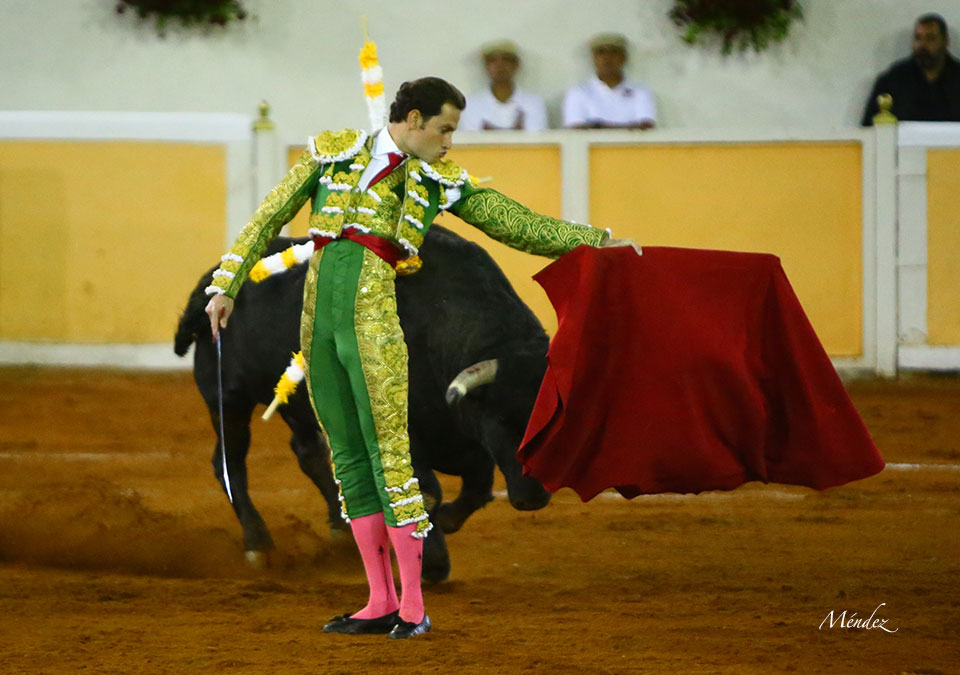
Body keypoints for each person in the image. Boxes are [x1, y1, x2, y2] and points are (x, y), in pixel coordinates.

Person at [203, 77, 640, 639]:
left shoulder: (437, 180)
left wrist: (596, 241)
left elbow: (519, 225)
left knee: (393, 461)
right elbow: (267, 219)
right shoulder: (332, 152)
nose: (449, 142)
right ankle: (377, 600)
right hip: (316, 328)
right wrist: (227, 284)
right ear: (412, 119)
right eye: (444, 128)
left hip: (374, 327)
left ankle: (412, 607)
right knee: (349, 461)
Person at [861, 13, 960, 125]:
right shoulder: (893, 80)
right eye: (918, 38)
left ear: (946, 41)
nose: (922, 45)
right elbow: (868, 127)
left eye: (930, 38)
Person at [563, 33, 657, 129]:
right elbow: (575, 130)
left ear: (624, 58)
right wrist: (628, 128)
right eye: (601, 52)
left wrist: (598, 127)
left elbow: (646, 127)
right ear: (593, 59)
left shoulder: (640, 91)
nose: (607, 58)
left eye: (614, 52)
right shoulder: (578, 92)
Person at [458, 40, 548, 131]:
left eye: (506, 60)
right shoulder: (472, 103)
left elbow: (537, 141)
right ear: (486, 67)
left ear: (517, 65)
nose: (499, 66)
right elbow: (471, 142)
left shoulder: (533, 103)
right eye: (492, 60)